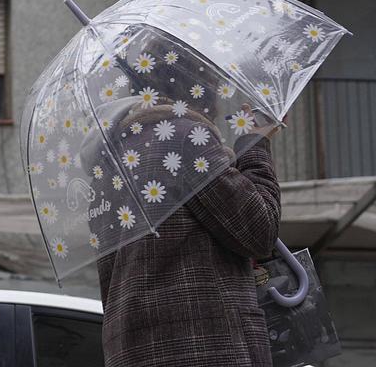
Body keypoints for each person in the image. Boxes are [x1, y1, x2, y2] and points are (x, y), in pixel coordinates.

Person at [92, 31, 282, 367]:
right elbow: (258, 230)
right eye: (214, 76)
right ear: (197, 83)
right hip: (204, 347)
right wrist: (254, 143)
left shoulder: (108, 166)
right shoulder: (184, 136)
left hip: (133, 351)